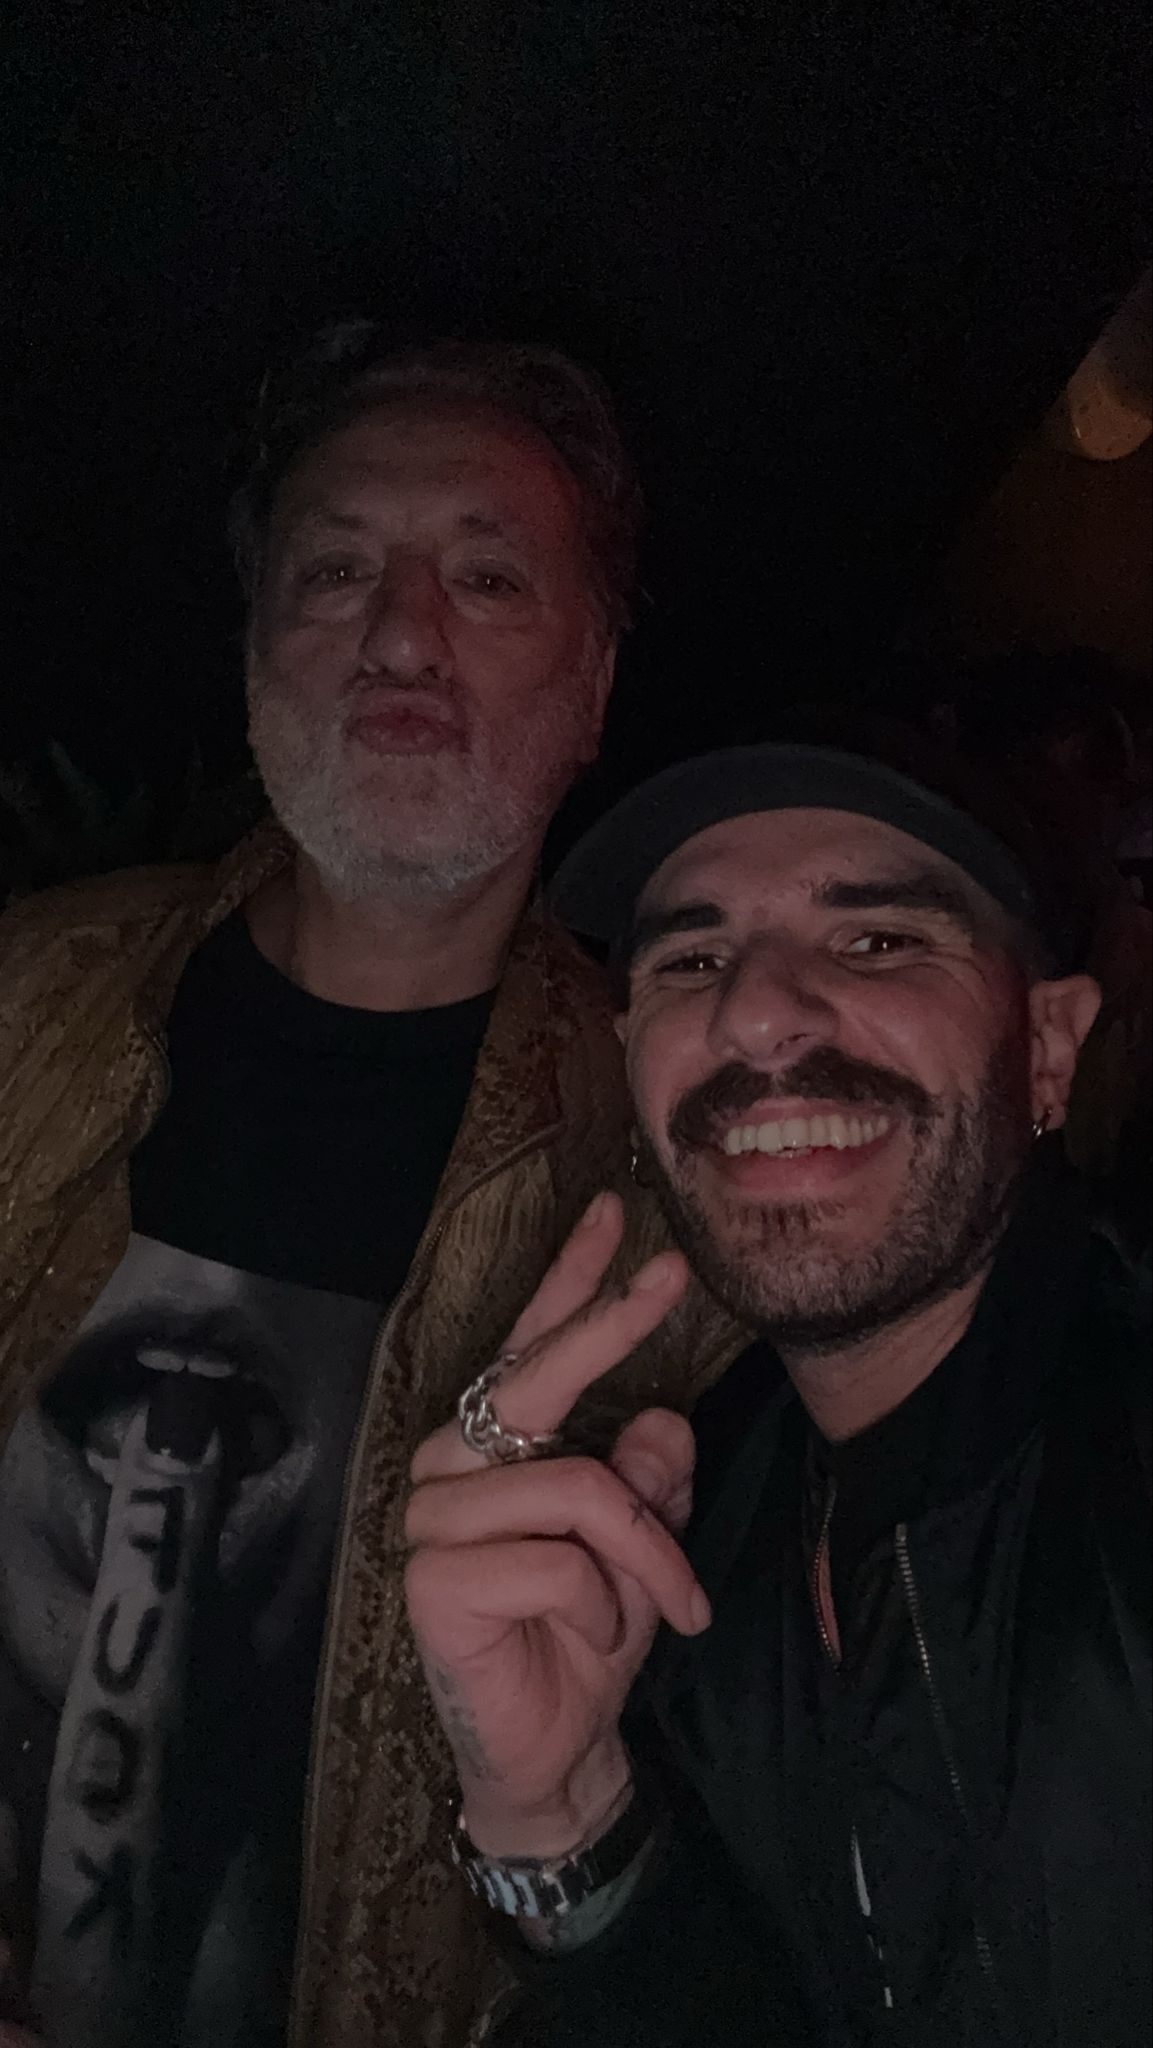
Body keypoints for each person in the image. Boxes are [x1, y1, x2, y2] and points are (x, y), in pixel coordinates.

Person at [0, 329, 738, 2048]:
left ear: (595, 680)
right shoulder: (27, 1006)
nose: (404, 634)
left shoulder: (688, 1163)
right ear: (256, 645)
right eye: (336, 571)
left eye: (488, 577)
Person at [406, 740, 1151, 2048]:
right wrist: (561, 1813)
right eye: (692, 962)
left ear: (1045, 1048)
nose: (754, 1014)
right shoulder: (701, 1529)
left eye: (876, 942)